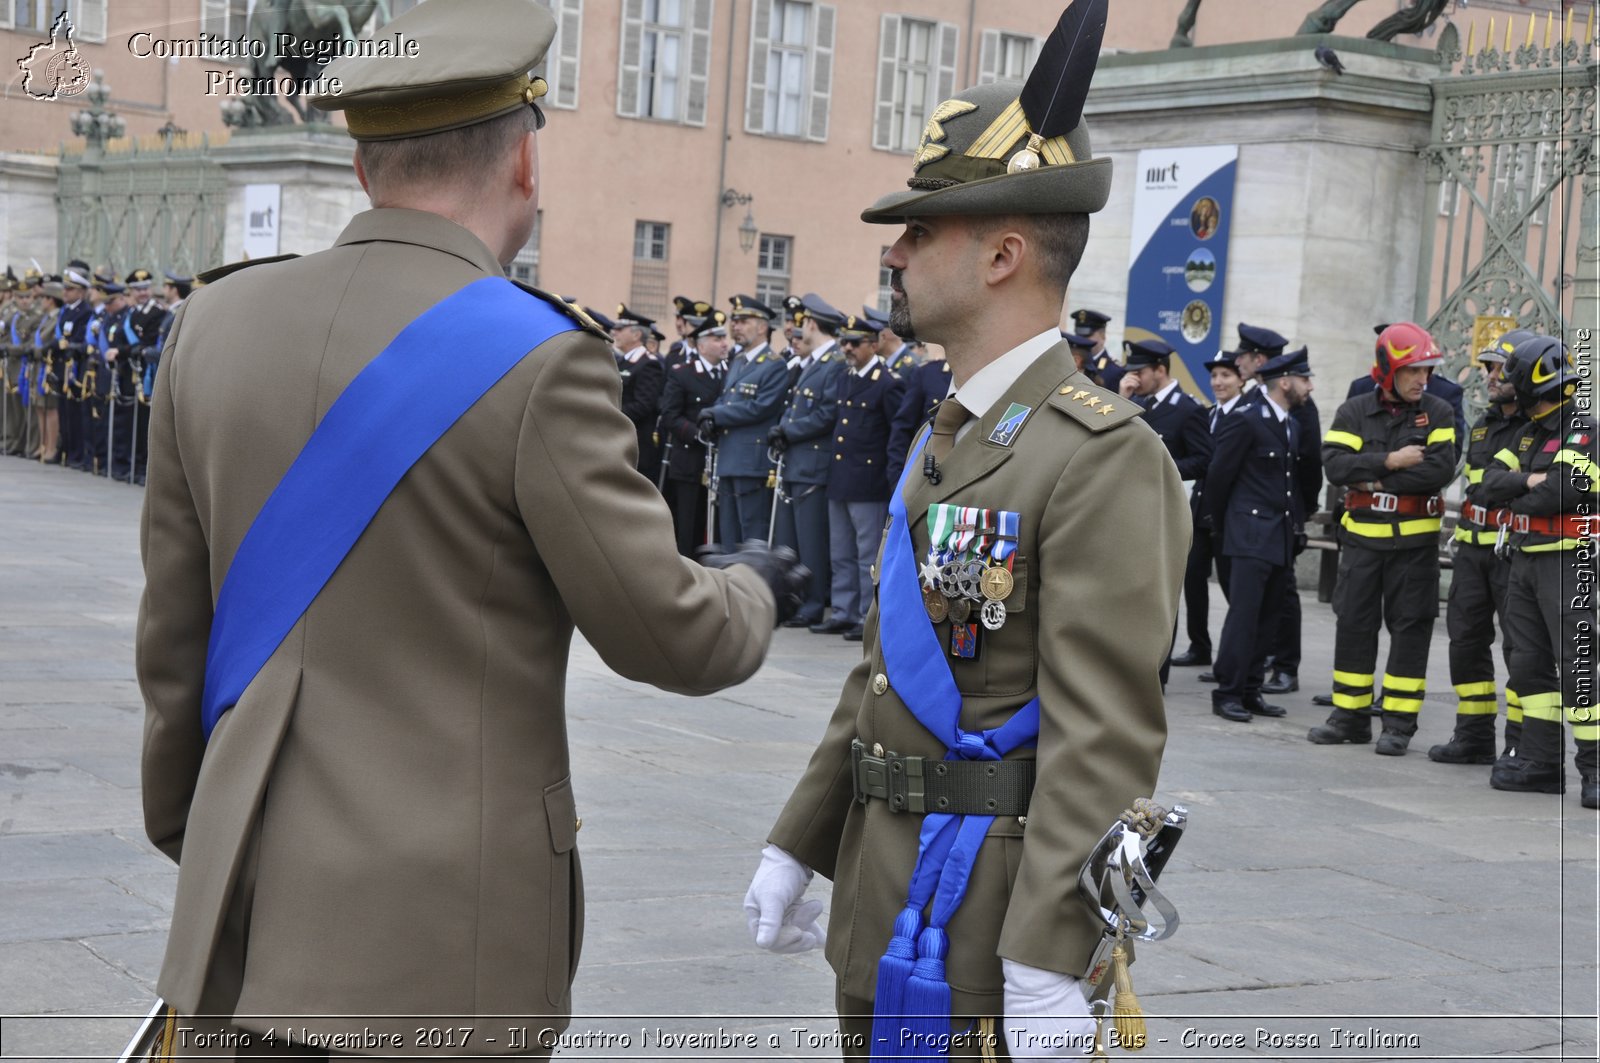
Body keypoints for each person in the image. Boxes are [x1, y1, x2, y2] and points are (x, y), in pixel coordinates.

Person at [135, 1, 804, 1054]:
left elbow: (173, 642)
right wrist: (755, 585)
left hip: (243, 905)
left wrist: (201, 832)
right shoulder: (541, 359)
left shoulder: (212, 324)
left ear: (361, 167)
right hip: (442, 939)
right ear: (525, 164)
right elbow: (669, 634)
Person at [744, 3, 1188, 1056]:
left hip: (988, 904)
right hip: (884, 878)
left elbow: (1105, 732)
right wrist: (799, 843)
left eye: (917, 229)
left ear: (1000, 253)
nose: (893, 253)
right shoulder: (956, 427)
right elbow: (884, 672)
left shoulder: (1099, 452)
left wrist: (1049, 955)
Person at [1310, 322, 1456, 754]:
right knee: (1354, 624)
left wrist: (1370, 475)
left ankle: (1398, 725)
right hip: (1361, 545)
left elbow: (1438, 470)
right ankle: (1349, 718)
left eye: (1427, 371)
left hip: (1414, 549)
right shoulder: (1354, 411)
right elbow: (1335, 466)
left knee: (1410, 631)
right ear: (1388, 370)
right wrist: (1392, 460)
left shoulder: (1440, 412)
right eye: (1414, 371)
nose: (1423, 380)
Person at [1482, 336, 1597, 807]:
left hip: (1567, 561)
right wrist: (1528, 483)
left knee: (1578, 666)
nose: (1507, 385)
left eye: (1513, 377)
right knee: (1527, 662)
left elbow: (1559, 494)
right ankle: (1541, 762)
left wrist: (1523, 489)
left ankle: (1594, 769)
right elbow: (1487, 485)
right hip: (1527, 557)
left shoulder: (1584, 431)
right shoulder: (1528, 432)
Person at [1428, 330, 1534, 765]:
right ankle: (1472, 735)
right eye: (1488, 368)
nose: (1491, 376)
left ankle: (1521, 743)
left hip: (1513, 553)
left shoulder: (1538, 428)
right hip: (1472, 551)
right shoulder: (1485, 423)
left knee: (1521, 650)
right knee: (1466, 642)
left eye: (1499, 368)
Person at [1204, 349, 1314, 722]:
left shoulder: (1290, 424)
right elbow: (1218, 478)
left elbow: (1289, 484)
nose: (1309, 386)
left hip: (1278, 535)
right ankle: (1228, 692)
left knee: (1269, 618)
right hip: (1248, 534)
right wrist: (1225, 526)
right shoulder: (1247, 420)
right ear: (1285, 382)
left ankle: (1251, 690)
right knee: (1244, 617)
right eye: (1304, 379)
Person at [814, 304, 903, 641]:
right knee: (840, 552)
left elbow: (896, 435)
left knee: (867, 554)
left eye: (855, 343)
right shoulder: (844, 378)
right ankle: (842, 610)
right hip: (840, 478)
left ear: (874, 345)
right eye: (844, 343)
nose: (847, 349)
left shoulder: (887, 383)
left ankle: (866, 615)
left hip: (869, 481)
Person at [770, 295, 845, 627]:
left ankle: (813, 603)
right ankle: (795, 599)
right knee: (792, 538)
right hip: (795, 461)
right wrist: (783, 428)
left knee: (811, 540)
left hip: (813, 462)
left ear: (812, 324)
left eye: (802, 323)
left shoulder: (835, 363)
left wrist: (789, 431)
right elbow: (797, 405)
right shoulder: (812, 362)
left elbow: (828, 413)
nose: (797, 329)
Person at [1171, 351, 1246, 668]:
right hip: (1201, 510)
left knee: (1233, 586)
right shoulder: (1210, 413)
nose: (1218, 382)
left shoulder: (1246, 414)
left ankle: (1242, 652)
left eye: (1226, 376)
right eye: (1214, 376)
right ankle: (1200, 646)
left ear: (1241, 379)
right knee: (1193, 580)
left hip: (1229, 515)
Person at [701, 289, 790, 546]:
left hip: (752, 462)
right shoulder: (738, 361)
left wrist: (714, 414)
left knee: (751, 535)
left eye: (742, 322)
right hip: (729, 459)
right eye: (734, 321)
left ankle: (751, 586)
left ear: (762, 327)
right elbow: (726, 399)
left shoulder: (773, 364)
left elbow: (759, 407)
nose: (735, 327)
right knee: (728, 536)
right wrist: (711, 419)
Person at [659, 311, 730, 556]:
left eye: (724, 338)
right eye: (717, 338)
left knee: (717, 529)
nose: (724, 343)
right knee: (688, 528)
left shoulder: (731, 373)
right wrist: (697, 434)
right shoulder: (682, 373)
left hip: (721, 462)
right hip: (690, 462)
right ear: (701, 344)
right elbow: (669, 414)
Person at [612, 303, 665, 480]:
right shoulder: (622, 362)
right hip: (617, 439)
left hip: (636, 444)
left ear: (636, 334)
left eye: (621, 329)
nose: (615, 332)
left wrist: (611, 413)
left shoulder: (648, 364)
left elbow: (643, 405)